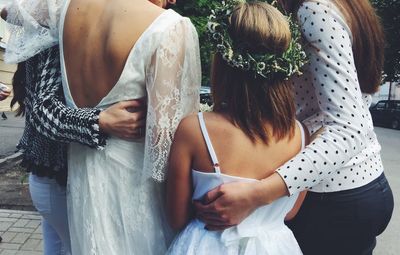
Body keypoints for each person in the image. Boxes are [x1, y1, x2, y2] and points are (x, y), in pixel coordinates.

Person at [195, 0, 394, 254]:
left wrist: (257, 194)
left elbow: (350, 129)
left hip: (332, 197)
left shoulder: (315, 11)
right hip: (360, 187)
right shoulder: (339, 6)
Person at [5, 0, 201, 254]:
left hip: (82, 182)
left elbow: (10, 10)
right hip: (135, 191)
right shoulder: (170, 26)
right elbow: (164, 146)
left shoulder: (65, 11)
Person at [166, 2, 308, 254]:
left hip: (206, 245)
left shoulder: (195, 129)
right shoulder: (299, 135)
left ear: (223, 62)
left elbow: (176, 217)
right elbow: (291, 212)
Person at [9, 45, 144, 255]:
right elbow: (43, 111)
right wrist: (100, 121)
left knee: (57, 248)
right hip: (56, 181)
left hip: (51, 178)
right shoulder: (58, 33)